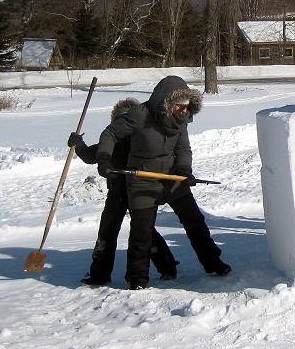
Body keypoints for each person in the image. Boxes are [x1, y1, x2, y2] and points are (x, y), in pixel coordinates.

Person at [94, 76, 230, 290]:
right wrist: (103, 157)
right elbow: (110, 133)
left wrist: (184, 169)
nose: (184, 111)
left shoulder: (181, 118)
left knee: (195, 222)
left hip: (173, 178)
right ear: (166, 102)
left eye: (187, 107)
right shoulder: (140, 115)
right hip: (143, 180)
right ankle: (137, 279)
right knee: (142, 232)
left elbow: (183, 149)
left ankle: (213, 263)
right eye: (180, 106)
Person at [68, 98, 179, 286]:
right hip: (117, 193)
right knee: (106, 232)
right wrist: (78, 145)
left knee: (144, 233)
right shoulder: (112, 142)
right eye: (120, 120)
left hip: (138, 192)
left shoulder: (141, 141)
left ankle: (167, 266)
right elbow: (90, 156)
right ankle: (100, 274)